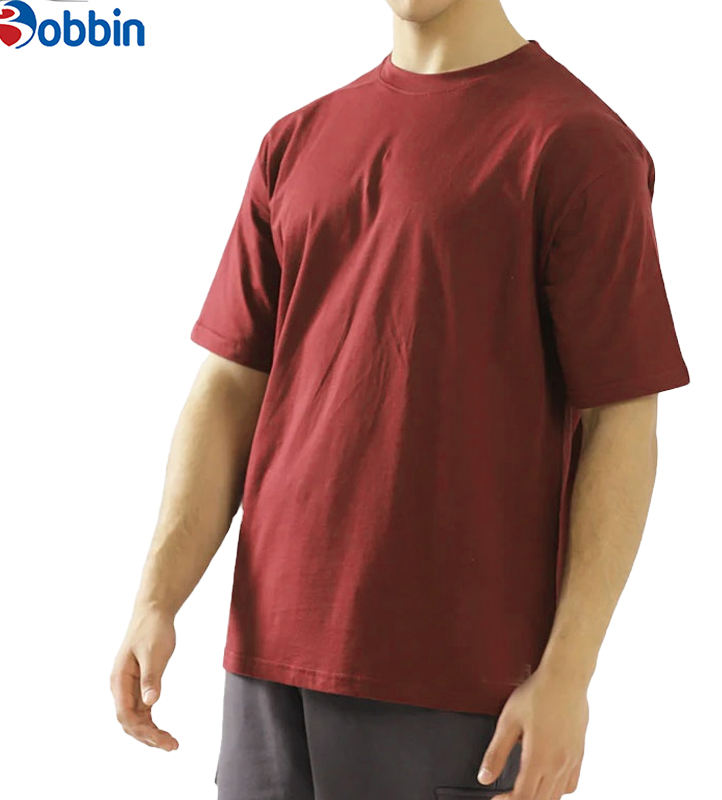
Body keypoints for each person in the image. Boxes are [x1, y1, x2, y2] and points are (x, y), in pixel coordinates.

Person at [110, 1, 690, 798]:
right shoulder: (296, 139)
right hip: (267, 660)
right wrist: (157, 598)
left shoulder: (577, 145)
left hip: (454, 680)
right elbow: (229, 387)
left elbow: (623, 420)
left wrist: (569, 671)